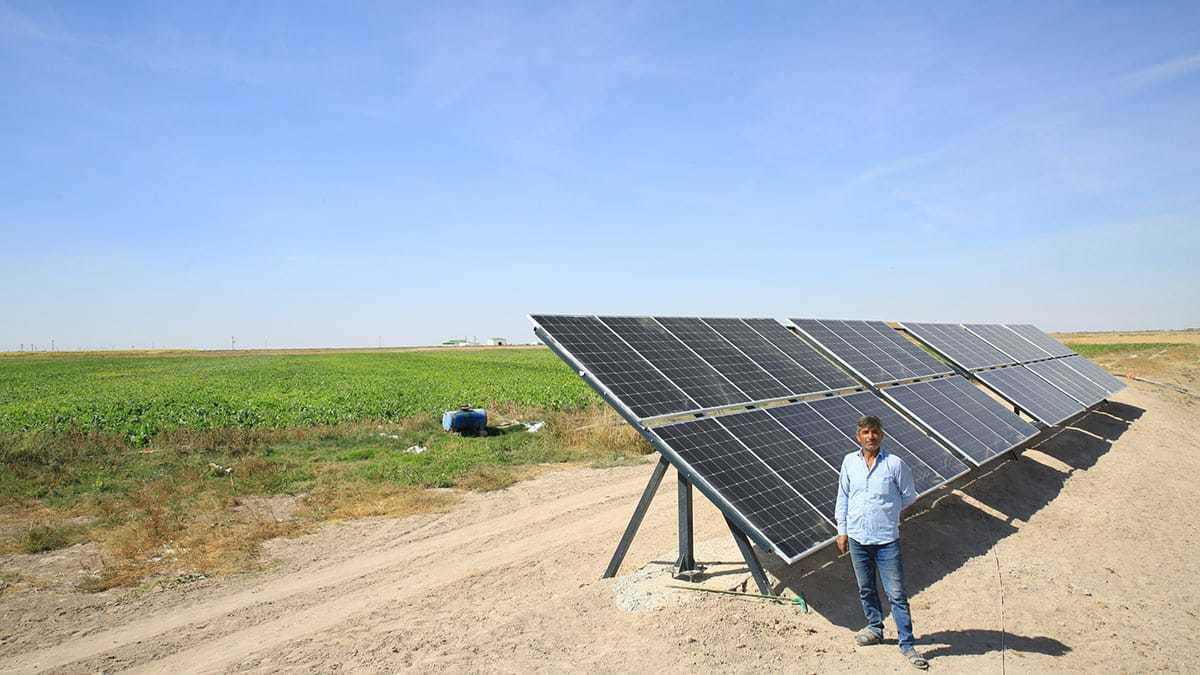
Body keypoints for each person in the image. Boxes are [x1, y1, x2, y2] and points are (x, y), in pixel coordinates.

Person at [835, 415, 929, 670]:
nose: (870, 437)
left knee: (896, 594)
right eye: (865, 432)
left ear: (881, 436)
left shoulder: (895, 464)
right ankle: (875, 628)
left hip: (886, 540)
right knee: (866, 588)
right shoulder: (849, 463)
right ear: (859, 436)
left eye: (875, 432)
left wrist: (889, 515)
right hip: (857, 538)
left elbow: (910, 497)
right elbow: (842, 497)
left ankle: (907, 643)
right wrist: (841, 531)